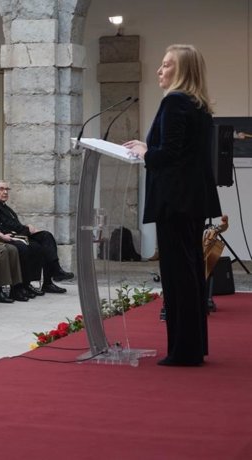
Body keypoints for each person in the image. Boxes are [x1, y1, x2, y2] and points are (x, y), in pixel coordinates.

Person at [123, 44, 221, 367]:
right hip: (189, 200)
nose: (159, 71)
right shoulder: (197, 106)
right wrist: (149, 146)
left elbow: (171, 156)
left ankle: (184, 351)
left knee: (179, 275)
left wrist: (146, 153)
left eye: (166, 65)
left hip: (175, 201)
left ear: (180, 71)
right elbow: (179, 151)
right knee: (190, 271)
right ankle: (192, 346)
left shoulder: (175, 102)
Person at [0, 179, 74, 288]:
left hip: (20, 233)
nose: (5, 192)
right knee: (36, 246)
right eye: (1, 189)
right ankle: (29, 283)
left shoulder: (5, 207)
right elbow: (6, 226)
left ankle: (52, 277)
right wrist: (28, 229)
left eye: (6, 189)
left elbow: (14, 223)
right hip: (11, 236)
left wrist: (28, 229)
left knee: (46, 237)